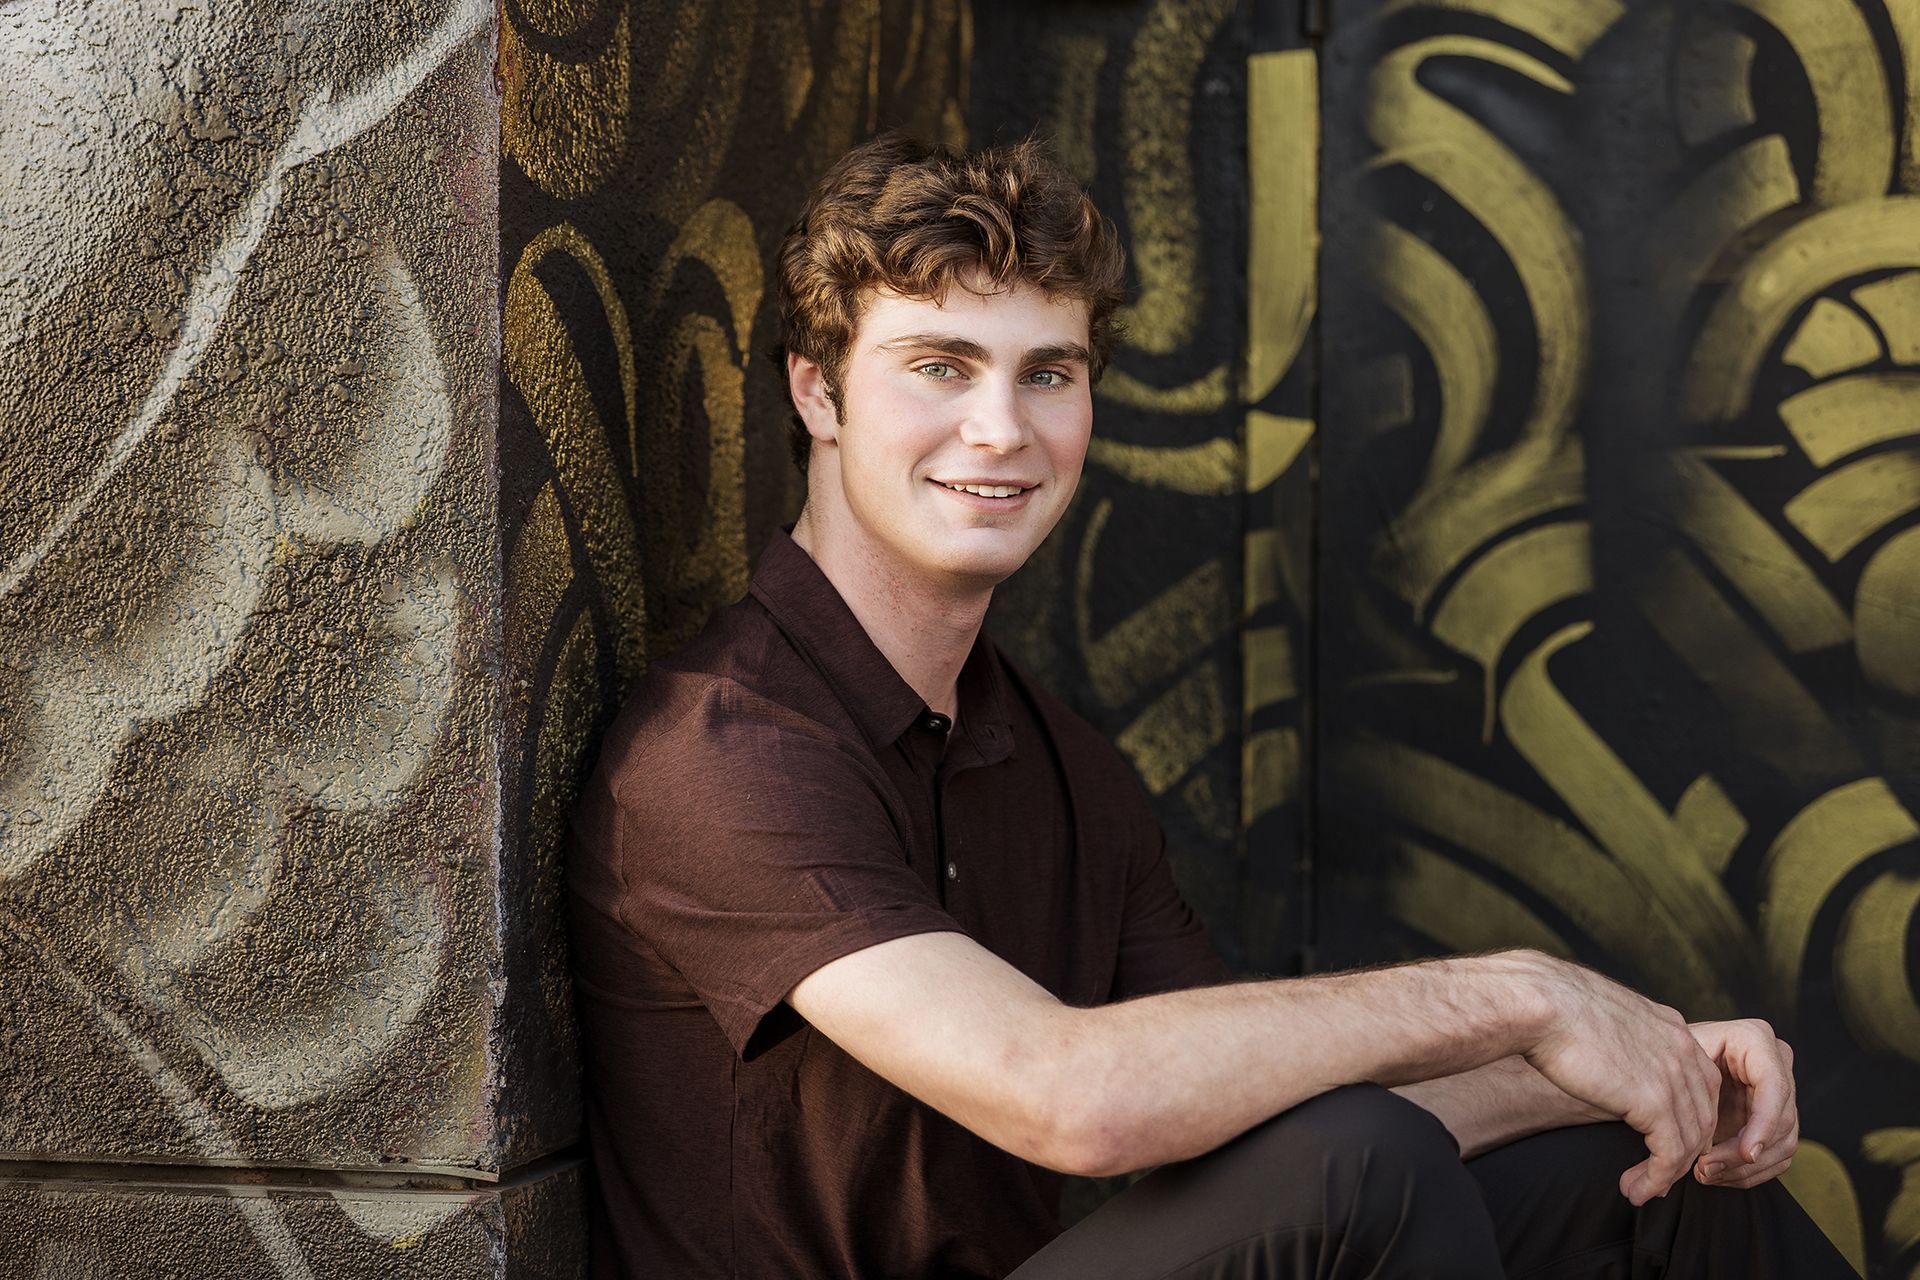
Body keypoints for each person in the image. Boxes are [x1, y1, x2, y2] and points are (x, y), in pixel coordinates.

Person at [566, 132, 1854, 1279]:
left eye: (1049, 374)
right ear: (814, 392)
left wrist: (1652, 1062)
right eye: (941, 366)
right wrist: (1528, 993)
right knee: (1360, 1166)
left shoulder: (1052, 761)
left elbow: (1260, 1122)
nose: (1001, 427)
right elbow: (1069, 1100)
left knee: (1635, 1182)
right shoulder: (720, 751)